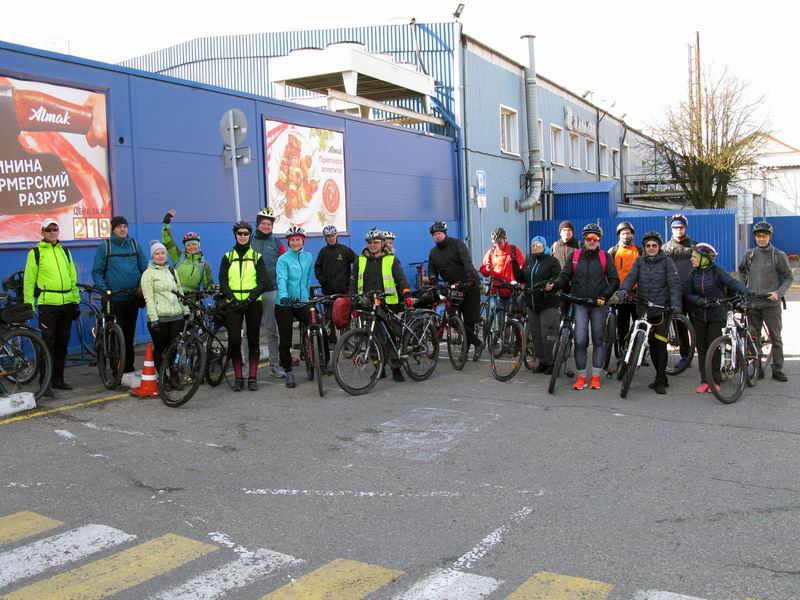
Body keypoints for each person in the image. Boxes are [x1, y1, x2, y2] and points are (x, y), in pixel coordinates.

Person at [547, 223, 619, 390]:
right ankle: (581, 378)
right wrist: (555, 284)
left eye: (595, 238)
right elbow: (565, 276)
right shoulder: (575, 255)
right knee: (580, 341)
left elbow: (615, 281)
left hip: (598, 304)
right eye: (589, 237)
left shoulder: (604, 257)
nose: (592, 240)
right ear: (584, 238)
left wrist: (604, 296)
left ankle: (595, 376)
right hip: (579, 303)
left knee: (598, 340)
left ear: (599, 240)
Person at [611, 231, 681, 394]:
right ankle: (647, 367)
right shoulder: (639, 261)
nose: (651, 248)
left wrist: (676, 304)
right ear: (644, 247)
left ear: (659, 246)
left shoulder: (667, 262)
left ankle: (660, 380)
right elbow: (630, 278)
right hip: (643, 308)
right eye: (648, 245)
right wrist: (623, 291)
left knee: (659, 346)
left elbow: (674, 285)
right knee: (646, 340)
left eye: (654, 245)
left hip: (661, 310)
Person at [23, 218, 80, 395]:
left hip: (66, 303)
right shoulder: (36, 253)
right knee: (47, 343)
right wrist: (29, 304)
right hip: (47, 305)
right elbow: (29, 280)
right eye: (49, 230)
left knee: (62, 343)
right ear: (43, 232)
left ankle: (58, 379)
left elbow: (73, 277)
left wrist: (75, 301)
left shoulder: (66, 252)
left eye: (55, 229)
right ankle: (45, 382)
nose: (52, 232)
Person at [683, 243, 749, 394]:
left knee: (714, 348)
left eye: (694, 257)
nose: (692, 259)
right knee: (702, 350)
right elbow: (687, 293)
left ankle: (715, 380)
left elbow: (732, 283)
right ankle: (704, 380)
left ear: (704, 258)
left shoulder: (717, 271)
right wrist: (697, 300)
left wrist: (746, 291)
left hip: (717, 315)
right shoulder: (693, 273)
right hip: (699, 315)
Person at [349, 228, 413, 382]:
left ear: (382, 243)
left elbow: (401, 278)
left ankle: (396, 368)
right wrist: (353, 299)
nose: (372, 245)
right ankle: (379, 368)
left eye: (376, 242)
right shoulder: (360, 260)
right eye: (370, 242)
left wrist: (407, 294)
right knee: (371, 338)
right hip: (367, 305)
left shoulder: (391, 259)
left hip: (388, 304)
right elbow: (353, 282)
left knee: (391, 337)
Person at [737, 221, 793, 382]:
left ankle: (777, 369)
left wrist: (779, 293)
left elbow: (789, 277)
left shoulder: (778, 255)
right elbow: (741, 272)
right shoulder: (749, 254)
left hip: (771, 303)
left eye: (764, 236)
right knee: (754, 337)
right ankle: (757, 367)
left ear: (769, 237)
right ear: (755, 237)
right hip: (753, 302)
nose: (761, 239)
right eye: (758, 236)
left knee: (776, 337)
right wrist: (743, 288)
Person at [91, 215, 148, 373]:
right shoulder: (106, 246)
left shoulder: (134, 245)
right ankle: (116, 368)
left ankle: (128, 368)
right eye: (119, 227)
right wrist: (104, 289)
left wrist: (144, 286)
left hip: (132, 298)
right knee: (116, 335)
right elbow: (97, 272)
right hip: (113, 299)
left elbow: (145, 268)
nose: (122, 229)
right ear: (113, 229)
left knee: (129, 336)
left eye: (125, 226)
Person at [219, 220, 267, 392]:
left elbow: (262, 282)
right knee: (234, 340)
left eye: (246, 233)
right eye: (240, 233)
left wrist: (248, 300)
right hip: (233, 303)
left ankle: (252, 377)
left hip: (253, 303)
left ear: (250, 235)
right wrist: (233, 299)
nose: (243, 236)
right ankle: (239, 377)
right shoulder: (227, 257)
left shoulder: (257, 257)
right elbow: (223, 282)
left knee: (253, 340)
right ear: (235, 235)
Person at [427, 221, 483, 355]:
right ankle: (478, 343)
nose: (437, 236)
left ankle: (466, 350)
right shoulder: (433, 252)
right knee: (451, 317)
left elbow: (466, 262)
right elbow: (432, 270)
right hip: (453, 288)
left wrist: (471, 279)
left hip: (468, 285)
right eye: (434, 234)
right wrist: (434, 281)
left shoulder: (457, 244)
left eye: (439, 233)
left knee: (469, 321)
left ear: (445, 233)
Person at [140, 241, 188, 375]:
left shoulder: (172, 271)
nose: (160, 256)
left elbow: (180, 293)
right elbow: (148, 298)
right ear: (152, 256)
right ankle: (163, 378)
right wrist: (154, 319)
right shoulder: (148, 274)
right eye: (157, 253)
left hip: (176, 317)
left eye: (162, 253)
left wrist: (186, 311)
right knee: (160, 349)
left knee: (174, 349)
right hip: (159, 318)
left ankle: (173, 376)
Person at [276, 226, 315, 389]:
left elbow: (307, 279)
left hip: (302, 301)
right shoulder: (283, 259)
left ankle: (321, 360)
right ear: (289, 242)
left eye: (298, 239)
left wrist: (307, 295)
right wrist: (284, 296)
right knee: (285, 338)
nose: (295, 242)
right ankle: (288, 369)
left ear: (302, 241)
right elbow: (282, 279)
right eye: (292, 240)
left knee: (315, 326)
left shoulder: (308, 257)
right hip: (284, 303)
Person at [250, 207, 287, 378]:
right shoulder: (249, 240)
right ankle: (248, 367)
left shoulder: (277, 243)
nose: (266, 226)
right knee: (250, 330)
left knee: (272, 330)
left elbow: (285, 265)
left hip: (271, 290)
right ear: (258, 224)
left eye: (269, 224)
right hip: (251, 292)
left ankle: (275, 364)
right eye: (263, 223)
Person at [522, 236, 561, 374]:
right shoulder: (528, 260)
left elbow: (557, 277)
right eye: (533, 245)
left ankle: (551, 361)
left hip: (548, 303)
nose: (535, 247)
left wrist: (550, 284)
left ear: (544, 246)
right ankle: (542, 361)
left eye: (538, 245)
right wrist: (514, 266)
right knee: (536, 335)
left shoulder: (552, 261)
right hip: (531, 303)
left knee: (548, 334)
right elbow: (522, 277)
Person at [662, 213, 696, 371]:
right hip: (674, 294)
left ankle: (703, 355)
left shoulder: (695, 246)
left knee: (697, 326)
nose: (678, 230)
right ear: (671, 229)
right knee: (680, 327)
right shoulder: (665, 248)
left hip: (693, 293)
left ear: (685, 228)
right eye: (675, 227)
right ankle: (685, 356)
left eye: (681, 227)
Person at [314, 225, 356, 346]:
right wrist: (321, 279)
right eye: (328, 236)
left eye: (333, 235)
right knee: (329, 317)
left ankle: (346, 341)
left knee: (345, 316)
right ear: (325, 238)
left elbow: (358, 262)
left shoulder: (344, 250)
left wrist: (353, 278)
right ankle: (332, 341)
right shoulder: (323, 252)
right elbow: (317, 267)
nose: (331, 238)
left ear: (336, 235)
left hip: (344, 290)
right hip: (328, 291)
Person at [161, 210, 214, 299]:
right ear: (185, 247)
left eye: (194, 244)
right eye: (188, 245)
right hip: (175, 299)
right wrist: (166, 224)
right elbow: (168, 241)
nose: (191, 247)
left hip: (193, 301)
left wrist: (212, 289)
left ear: (198, 246)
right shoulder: (178, 257)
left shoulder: (204, 264)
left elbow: (208, 285)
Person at [609, 221, 643, 347]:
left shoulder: (639, 250)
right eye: (623, 233)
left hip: (637, 294)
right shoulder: (613, 251)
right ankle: (623, 348)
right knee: (622, 324)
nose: (626, 236)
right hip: (620, 294)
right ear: (619, 235)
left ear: (632, 235)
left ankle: (638, 351)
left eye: (628, 233)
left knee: (638, 323)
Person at [480, 227, 525, 297]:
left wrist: (520, 282)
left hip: (512, 290)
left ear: (505, 239)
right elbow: (483, 270)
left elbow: (522, 267)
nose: (498, 245)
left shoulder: (514, 250)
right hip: (497, 291)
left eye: (500, 242)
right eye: (495, 242)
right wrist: (487, 269)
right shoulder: (491, 252)